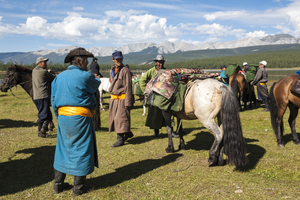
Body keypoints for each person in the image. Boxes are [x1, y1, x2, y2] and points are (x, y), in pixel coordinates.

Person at [51, 47, 101, 196]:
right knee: (82, 149)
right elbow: (96, 84)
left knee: (62, 150)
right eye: (86, 60)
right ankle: (78, 188)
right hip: (80, 119)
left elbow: (53, 101)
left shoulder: (58, 77)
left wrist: (59, 117)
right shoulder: (85, 76)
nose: (87, 63)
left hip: (63, 118)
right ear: (79, 60)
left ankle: (57, 185)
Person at [139, 55, 179, 137]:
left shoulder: (166, 71)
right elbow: (142, 80)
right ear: (156, 63)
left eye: (162, 62)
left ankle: (171, 131)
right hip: (154, 97)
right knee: (154, 114)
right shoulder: (151, 71)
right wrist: (147, 91)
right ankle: (156, 131)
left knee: (167, 113)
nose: (160, 64)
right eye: (159, 62)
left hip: (164, 97)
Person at [108, 51, 134, 147]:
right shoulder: (112, 70)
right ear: (113, 59)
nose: (119, 61)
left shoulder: (125, 71)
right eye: (117, 59)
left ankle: (120, 139)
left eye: (120, 59)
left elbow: (128, 86)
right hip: (114, 98)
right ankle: (127, 133)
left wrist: (128, 102)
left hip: (122, 98)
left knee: (121, 118)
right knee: (115, 118)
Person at [32, 56, 56, 138]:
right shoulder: (43, 72)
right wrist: (51, 72)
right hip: (43, 96)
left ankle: (41, 131)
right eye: (44, 62)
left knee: (46, 114)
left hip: (36, 96)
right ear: (39, 63)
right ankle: (42, 131)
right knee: (44, 115)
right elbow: (53, 79)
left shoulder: (34, 71)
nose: (46, 64)